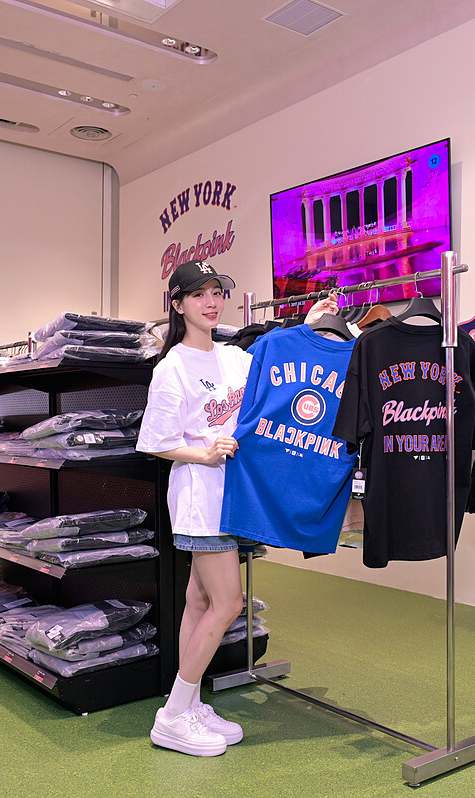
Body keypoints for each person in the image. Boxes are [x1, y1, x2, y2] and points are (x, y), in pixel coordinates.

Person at [137, 259, 335, 756]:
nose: (211, 302)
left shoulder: (234, 358)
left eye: (217, 292)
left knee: (199, 602)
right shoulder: (171, 368)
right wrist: (203, 452)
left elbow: (277, 366)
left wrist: (310, 325)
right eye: (199, 294)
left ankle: (188, 704)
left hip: (235, 496)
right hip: (201, 499)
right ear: (178, 304)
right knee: (228, 604)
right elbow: (156, 441)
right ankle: (172, 716)